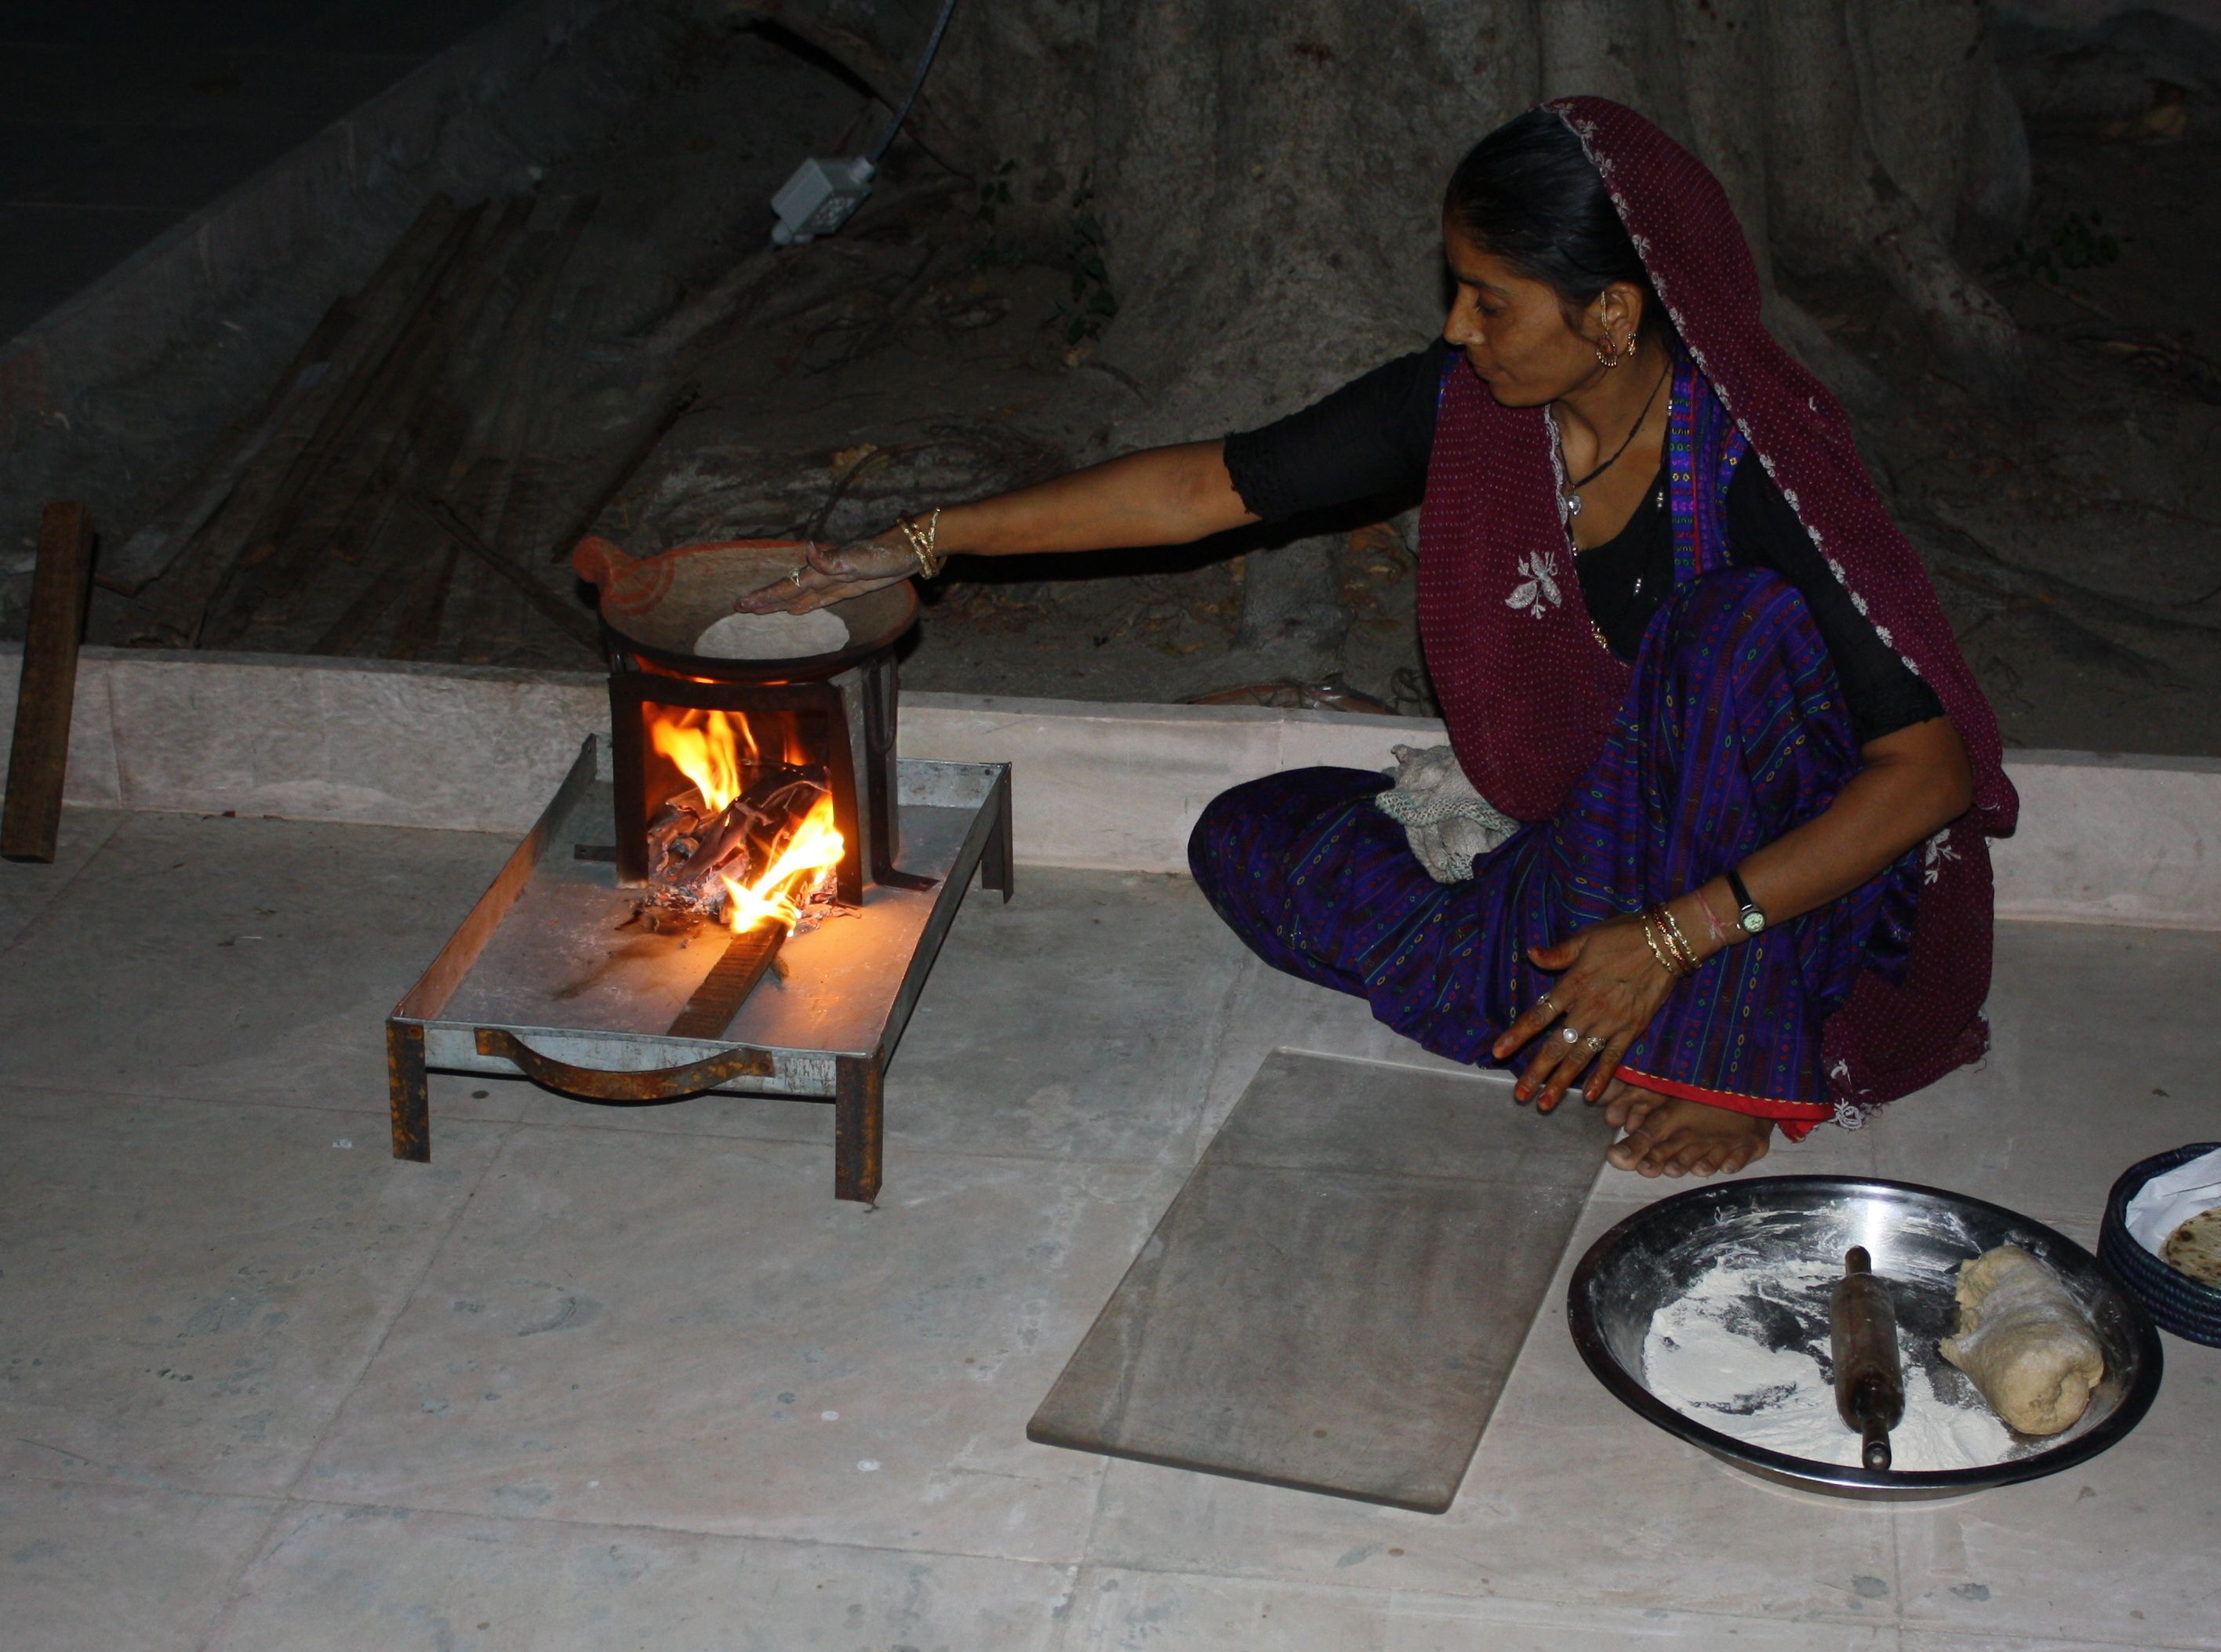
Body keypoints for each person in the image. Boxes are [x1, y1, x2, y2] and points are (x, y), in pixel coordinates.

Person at [742, 98, 2018, 1178]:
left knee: (1734, 632)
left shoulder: (1754, 468)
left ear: (1616, 316)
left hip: (1775, 880)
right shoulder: (1474, 408)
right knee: (1250, 840)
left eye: (1490, 301)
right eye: (1458, 293)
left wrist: (1673, 937)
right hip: (1594, 839)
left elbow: (1929, 774)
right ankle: (1595, 985)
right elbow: (1213, 488)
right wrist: (924, 540)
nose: (1458, 327)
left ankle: (1718, 1057)